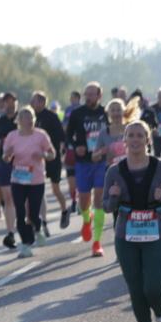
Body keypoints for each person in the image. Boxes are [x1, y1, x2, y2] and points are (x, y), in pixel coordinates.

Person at [103, 121, 161, 322]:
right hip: (125, 235)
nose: (136, 139)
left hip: (156, 232)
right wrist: (113, 197)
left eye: (141, 135)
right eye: (132, 135)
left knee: (154, 288)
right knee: (136, 289)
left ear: (148, 140)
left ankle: (160, 316)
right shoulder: (114, 171)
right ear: (125, 141)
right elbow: (107, 207)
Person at [2, 107, 56, 257]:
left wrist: (43, 154)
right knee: (20, 212)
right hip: (18, 179)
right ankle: (26, 244)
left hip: (36, 180)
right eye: (25, 118)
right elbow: (5, 158)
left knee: (33, 212)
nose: (29, 121)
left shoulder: (41, 135)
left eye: (31, 118)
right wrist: (7, 155)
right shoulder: (12, 136)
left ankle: (37, 228)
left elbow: (53, 154)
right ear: (19, 121)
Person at [66, 82, 111, 257]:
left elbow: (113, 134)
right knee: (84, 199)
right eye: (87, 94)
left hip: (101, 161)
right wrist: (77, 146)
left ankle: (97, 243)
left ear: (100, 95)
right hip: (83, 161)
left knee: (99, 198)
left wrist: (108, 149)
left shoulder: (105, 113)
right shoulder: (77, 114)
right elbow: (68, 135)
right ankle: (87, 219)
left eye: (92, 94)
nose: (88, 97)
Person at [31, 91, 69, 232]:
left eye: (35, 101)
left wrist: (61, 151)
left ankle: (64, 210)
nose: (32, 104)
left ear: (42, 102)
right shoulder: (31, 117)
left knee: (55, 188)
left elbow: (61, 137)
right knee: (38, 190)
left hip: (52, 157)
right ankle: (42, 221)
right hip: (36, 158)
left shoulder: (51, 117)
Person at [0, 92, 19, 248]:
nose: (9, 105)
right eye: (6, 102)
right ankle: (10, 233)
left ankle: (32, 226)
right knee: (8, 198)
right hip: (5, 163)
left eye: (12, 102)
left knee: (23, 200)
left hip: (23, 163)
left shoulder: (24, 119)